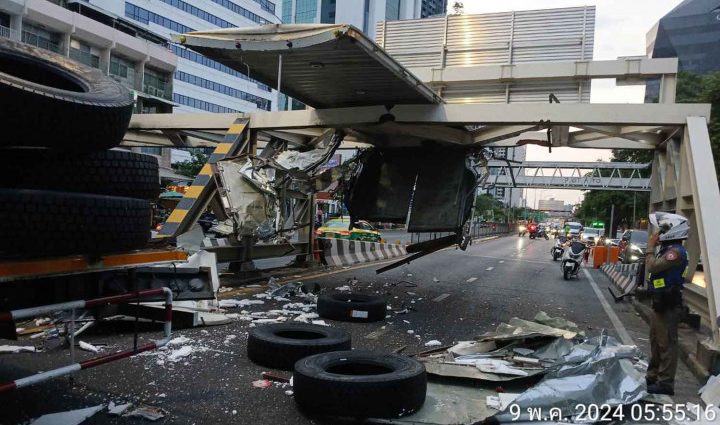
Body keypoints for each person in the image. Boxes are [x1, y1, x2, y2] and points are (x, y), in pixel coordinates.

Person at [644, 212, 690, 396]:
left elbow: (653, 266)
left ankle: (665, 382)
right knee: (656, 341)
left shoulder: (675, 253)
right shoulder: (668, 249)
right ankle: (653, 376)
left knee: (667, 344)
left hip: (669, 304)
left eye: (663, 229)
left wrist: (649, 248)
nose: (659, 233)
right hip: (660, 301)